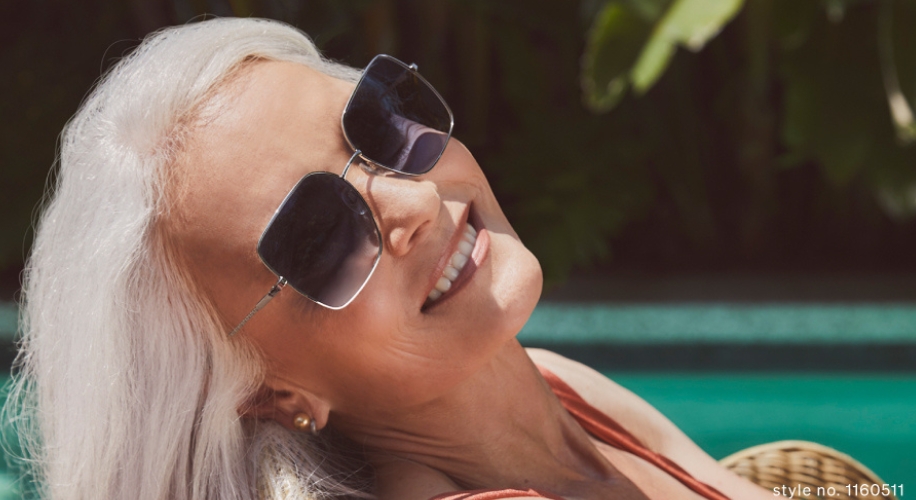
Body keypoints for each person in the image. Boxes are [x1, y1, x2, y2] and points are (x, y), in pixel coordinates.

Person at [6, 17, 774, 500]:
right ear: (267, 396)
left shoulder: (566, 391)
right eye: (316, 235)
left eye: (377, 124)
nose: (413, 203)